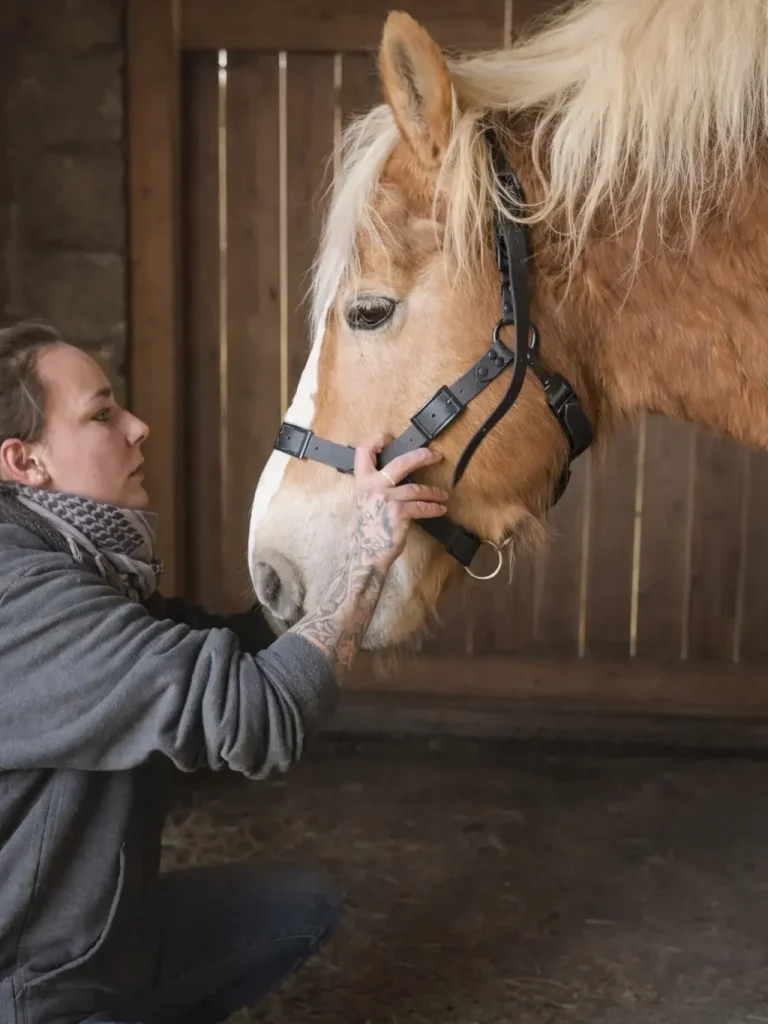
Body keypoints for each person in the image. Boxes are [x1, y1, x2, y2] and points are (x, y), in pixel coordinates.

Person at [0, 320, 450, 1024]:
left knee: (297, 908)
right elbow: (257, 715)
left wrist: (345, 540)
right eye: (102, 413)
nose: (138, 426)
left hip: (91, 943)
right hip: (32, 984)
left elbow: (216, 645)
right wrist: (365, 566)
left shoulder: (69, 558)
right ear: (25, 462)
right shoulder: (24, 601)